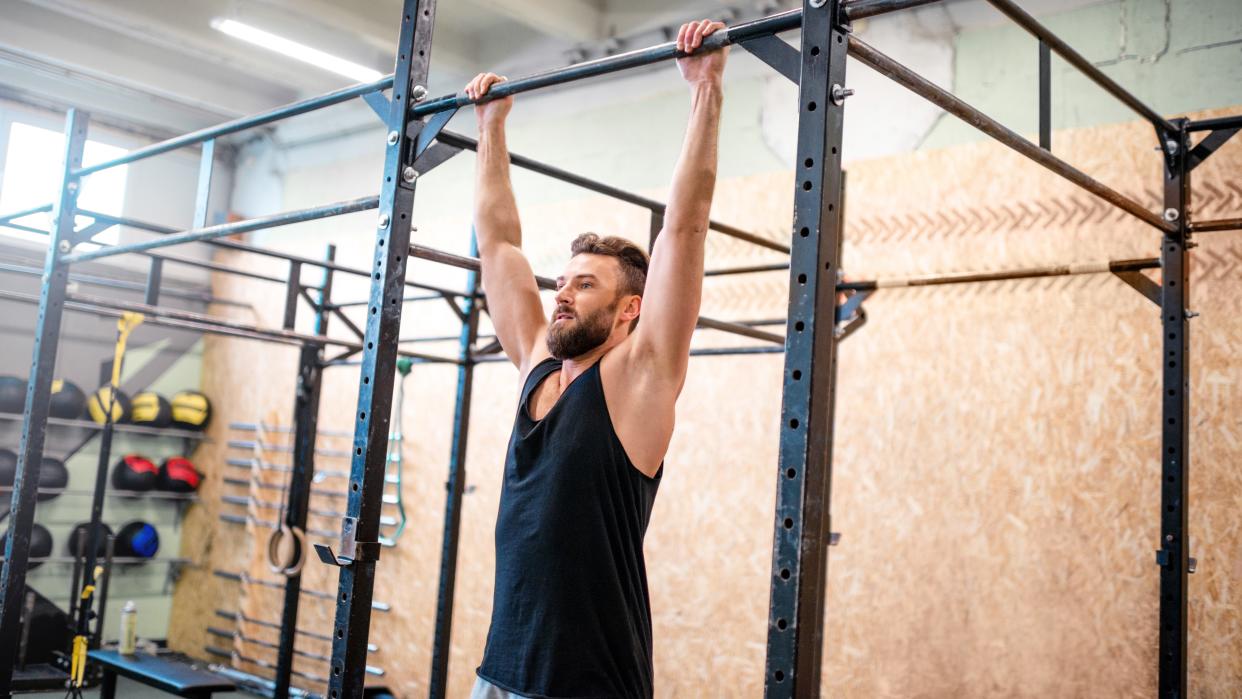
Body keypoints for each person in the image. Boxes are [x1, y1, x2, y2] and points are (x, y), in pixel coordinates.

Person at [467, 18, 729, 699]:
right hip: (499, 674)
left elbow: (686, 226)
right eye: (563, 281)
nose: (563, 293)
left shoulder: (640, 381)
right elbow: (497, 244)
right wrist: (491, 127)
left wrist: (705, 89)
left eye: (585, 285)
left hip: (588, 685)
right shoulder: (536, 367)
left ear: (628, 310)